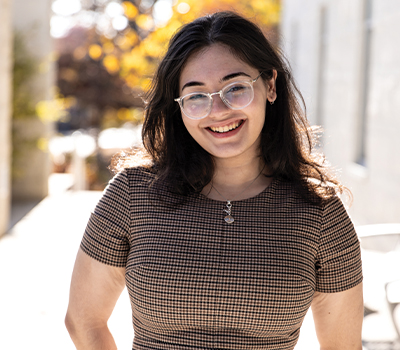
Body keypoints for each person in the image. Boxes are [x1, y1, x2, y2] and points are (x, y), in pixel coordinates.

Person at [65, 11, 363, 350]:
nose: (218, 110)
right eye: (196, 96)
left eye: (235, 88)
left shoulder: (321, 213)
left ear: (269, 86)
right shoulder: (132, 194)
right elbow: (83, 319)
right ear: (179, 107)